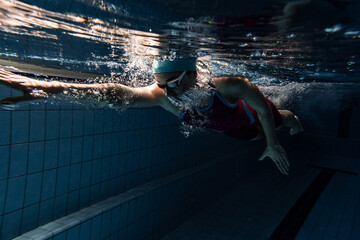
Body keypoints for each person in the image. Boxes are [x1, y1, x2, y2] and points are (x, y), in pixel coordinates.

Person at [0, 58, 303, 175]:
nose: (167, 92)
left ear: (193, 75)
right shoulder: (162, 94)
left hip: (251, 112)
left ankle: (292, 119)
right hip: (232, 129)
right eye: (160, 85)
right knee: (253, 138)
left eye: (173, 83)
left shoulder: (229, 85)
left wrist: (275, 143)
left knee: (278, 120)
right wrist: (51, 88)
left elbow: (261, 108)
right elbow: (117, 95)